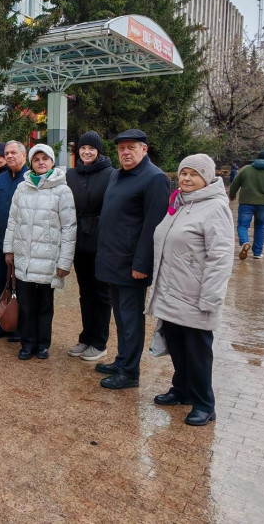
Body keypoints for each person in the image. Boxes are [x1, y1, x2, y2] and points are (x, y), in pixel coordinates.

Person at [147, 154, 234, 426]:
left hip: (196, 294)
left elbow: (221, 257)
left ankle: (204, 403)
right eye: (184, 173)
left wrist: (211, 297)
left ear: (206, 178)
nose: (186, 179)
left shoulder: (215, 208)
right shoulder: (181, 203)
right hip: (172, 290)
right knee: (177, 344)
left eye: (194, 174)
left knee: (197, 351)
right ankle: (182, 389)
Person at [94, 129, 171, 390]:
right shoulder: (117, 175)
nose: (125, 152)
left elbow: (153, 226)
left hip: (131, 264)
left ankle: (130, 372)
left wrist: (142, 264)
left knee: (131, 319)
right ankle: (122, 360)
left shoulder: (154, 178)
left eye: (131, 147)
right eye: (121, 148)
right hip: (112, 259)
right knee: (120, 316)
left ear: (144, 149)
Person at [4, 144, 77, 359]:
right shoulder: (22, 188)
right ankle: (27, 343)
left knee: (45, 305)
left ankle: (43, 344)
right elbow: (13, 220)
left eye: (45, 158)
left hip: (47, 259)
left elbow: (69, 228)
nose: (41, 162)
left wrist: (64, 261)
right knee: (26, 304)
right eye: (36, 159)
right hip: (24, 257)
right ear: (31, 163)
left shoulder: (62, 190)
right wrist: (9, 249)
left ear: (52, 162)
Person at [65, 131, 114, 361]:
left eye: (91, 149)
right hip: (79, 240)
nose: (87, 152)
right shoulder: (71, 174)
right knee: (85, 293)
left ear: (98, 151)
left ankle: (99, 341)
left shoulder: (110, 174)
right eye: (83, 148)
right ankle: (86, 337)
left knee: (102, 293)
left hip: (100, 240)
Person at [0, 141, 28, 341]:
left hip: (23, 244)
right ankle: (3, 321)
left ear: (24, 155)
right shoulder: (0, 180)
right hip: (0, 242)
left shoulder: (30, 178)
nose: (9, 156)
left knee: (21, 287)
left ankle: (20, 326)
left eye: (13, 153)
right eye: (7, 153)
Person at [228, 150, 264, 260]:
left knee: (243, 226)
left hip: (246, 203)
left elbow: (235, 184)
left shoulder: (246, 169)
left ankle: (245, 242)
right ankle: (257, 253)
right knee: (260, 227)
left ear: (257, 158)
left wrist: (232, 195)